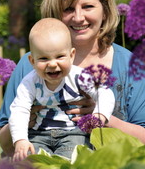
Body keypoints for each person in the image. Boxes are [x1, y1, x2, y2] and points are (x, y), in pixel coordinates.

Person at [0, 0, 145, 157]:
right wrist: (25, 123)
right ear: (56, 14)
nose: (78, 17)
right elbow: (5, 144)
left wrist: (102, 119)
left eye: (88, 7)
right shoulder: (29, 65)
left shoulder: (131, 65)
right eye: (68, 9)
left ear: (105, 11)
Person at [9, 18, 115, 161]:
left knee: (73, 157)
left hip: (74, 133)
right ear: (32, 61)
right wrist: (20, 139)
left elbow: (104, 92)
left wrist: (99, 115)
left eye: (60, 56)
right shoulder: (30, 82)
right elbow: (19, 109)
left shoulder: (79, 76)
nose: (52, 64)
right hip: (38, 135)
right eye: (44, 59)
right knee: (30, 159)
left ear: (71, 56)